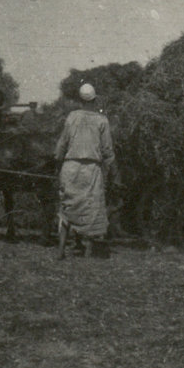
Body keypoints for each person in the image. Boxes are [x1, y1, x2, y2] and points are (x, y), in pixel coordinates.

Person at [53, 83, 121, 259]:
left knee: (67, 206)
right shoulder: (102, 120)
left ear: (79, 100)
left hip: (71, 167)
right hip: (91, 169)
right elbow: (107, 150)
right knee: (91, 207)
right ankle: (89, 248)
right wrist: (114, 170)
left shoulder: (72, 117)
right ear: (95, 99)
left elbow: (62, 143)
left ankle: (61, 250)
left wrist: (58, 160)